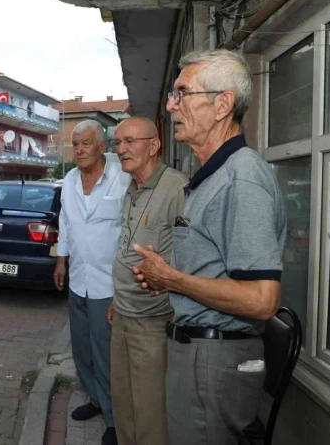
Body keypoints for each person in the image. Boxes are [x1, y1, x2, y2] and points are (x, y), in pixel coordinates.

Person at [132, 49, 286, 445]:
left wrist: (172, 279)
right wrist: (167, 278)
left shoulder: (241, 178)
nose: (170, 105)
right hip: (198, 353)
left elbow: (261, 299)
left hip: (214, 360)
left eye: (182, 93)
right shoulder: (212, 176)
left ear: (222, 105)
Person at [106, 117, 188, 445]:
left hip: (154, 321)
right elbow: (128, 249)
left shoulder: (177, 189)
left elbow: (192, 260)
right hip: (123, 314)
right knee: (123, 403)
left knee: (150, 412)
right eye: (117, 143)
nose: (121, 149)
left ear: (153, 146)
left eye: (130, 141)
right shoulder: (133, 186)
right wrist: (116, 300)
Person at [53, 119, 130, 445]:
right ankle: (96, 400)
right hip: (78, 279)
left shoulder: (122, 179)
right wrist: (61, 260)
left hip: (108, 284)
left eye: (86, 143)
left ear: (102, 147)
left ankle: (115, 419)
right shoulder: (70, 180)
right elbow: (66, 223)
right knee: (82, 347)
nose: (80, 150)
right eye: (76, 144)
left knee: (106, 352)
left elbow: (129, 230)